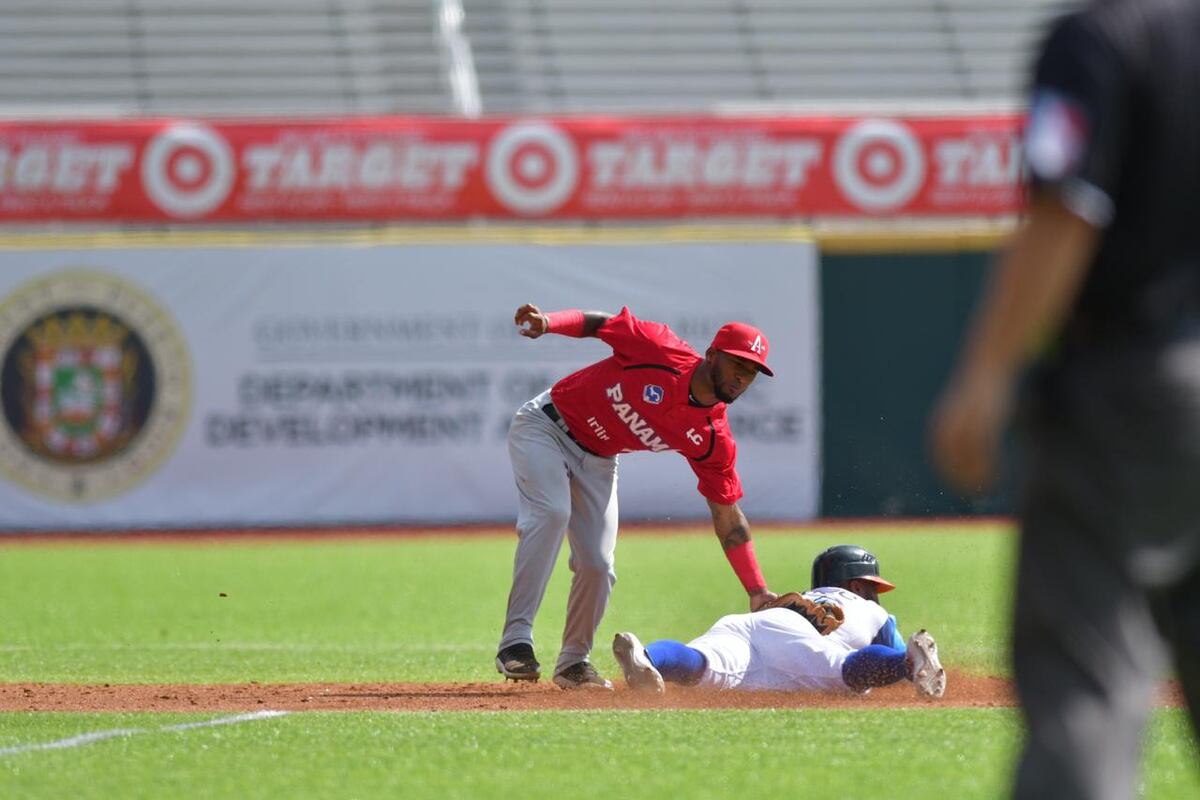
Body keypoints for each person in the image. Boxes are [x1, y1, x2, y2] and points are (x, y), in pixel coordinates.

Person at [930, 1, 1200, 797]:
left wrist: (986, 375)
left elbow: (1067, 206)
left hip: (1138, 392)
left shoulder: (1104, 36)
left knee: (1086, 685)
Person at [496, 303, 780, 690]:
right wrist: (548, 323)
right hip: (546, 425)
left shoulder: (712, 437)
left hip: (599, 459)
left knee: (598, 563)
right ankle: (515, 641)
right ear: (712, 354)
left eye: (751, 371)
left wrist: (758, 591)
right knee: (552, 513)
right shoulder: (660, 349)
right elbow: (600, 324)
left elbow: (728, 517)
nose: (742, 377)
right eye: (737, 364)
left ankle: (574, 662)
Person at [612, 544, 946, 698]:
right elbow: (889, 653)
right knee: (846, 674)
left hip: (750, 623)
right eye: (872, 587)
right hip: (797, 640)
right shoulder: (872, 611)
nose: (876, 595)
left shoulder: (806, 595)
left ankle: (650, 657)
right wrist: (906, 664)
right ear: (856, 586)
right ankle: (908, 664)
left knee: (701, 663)